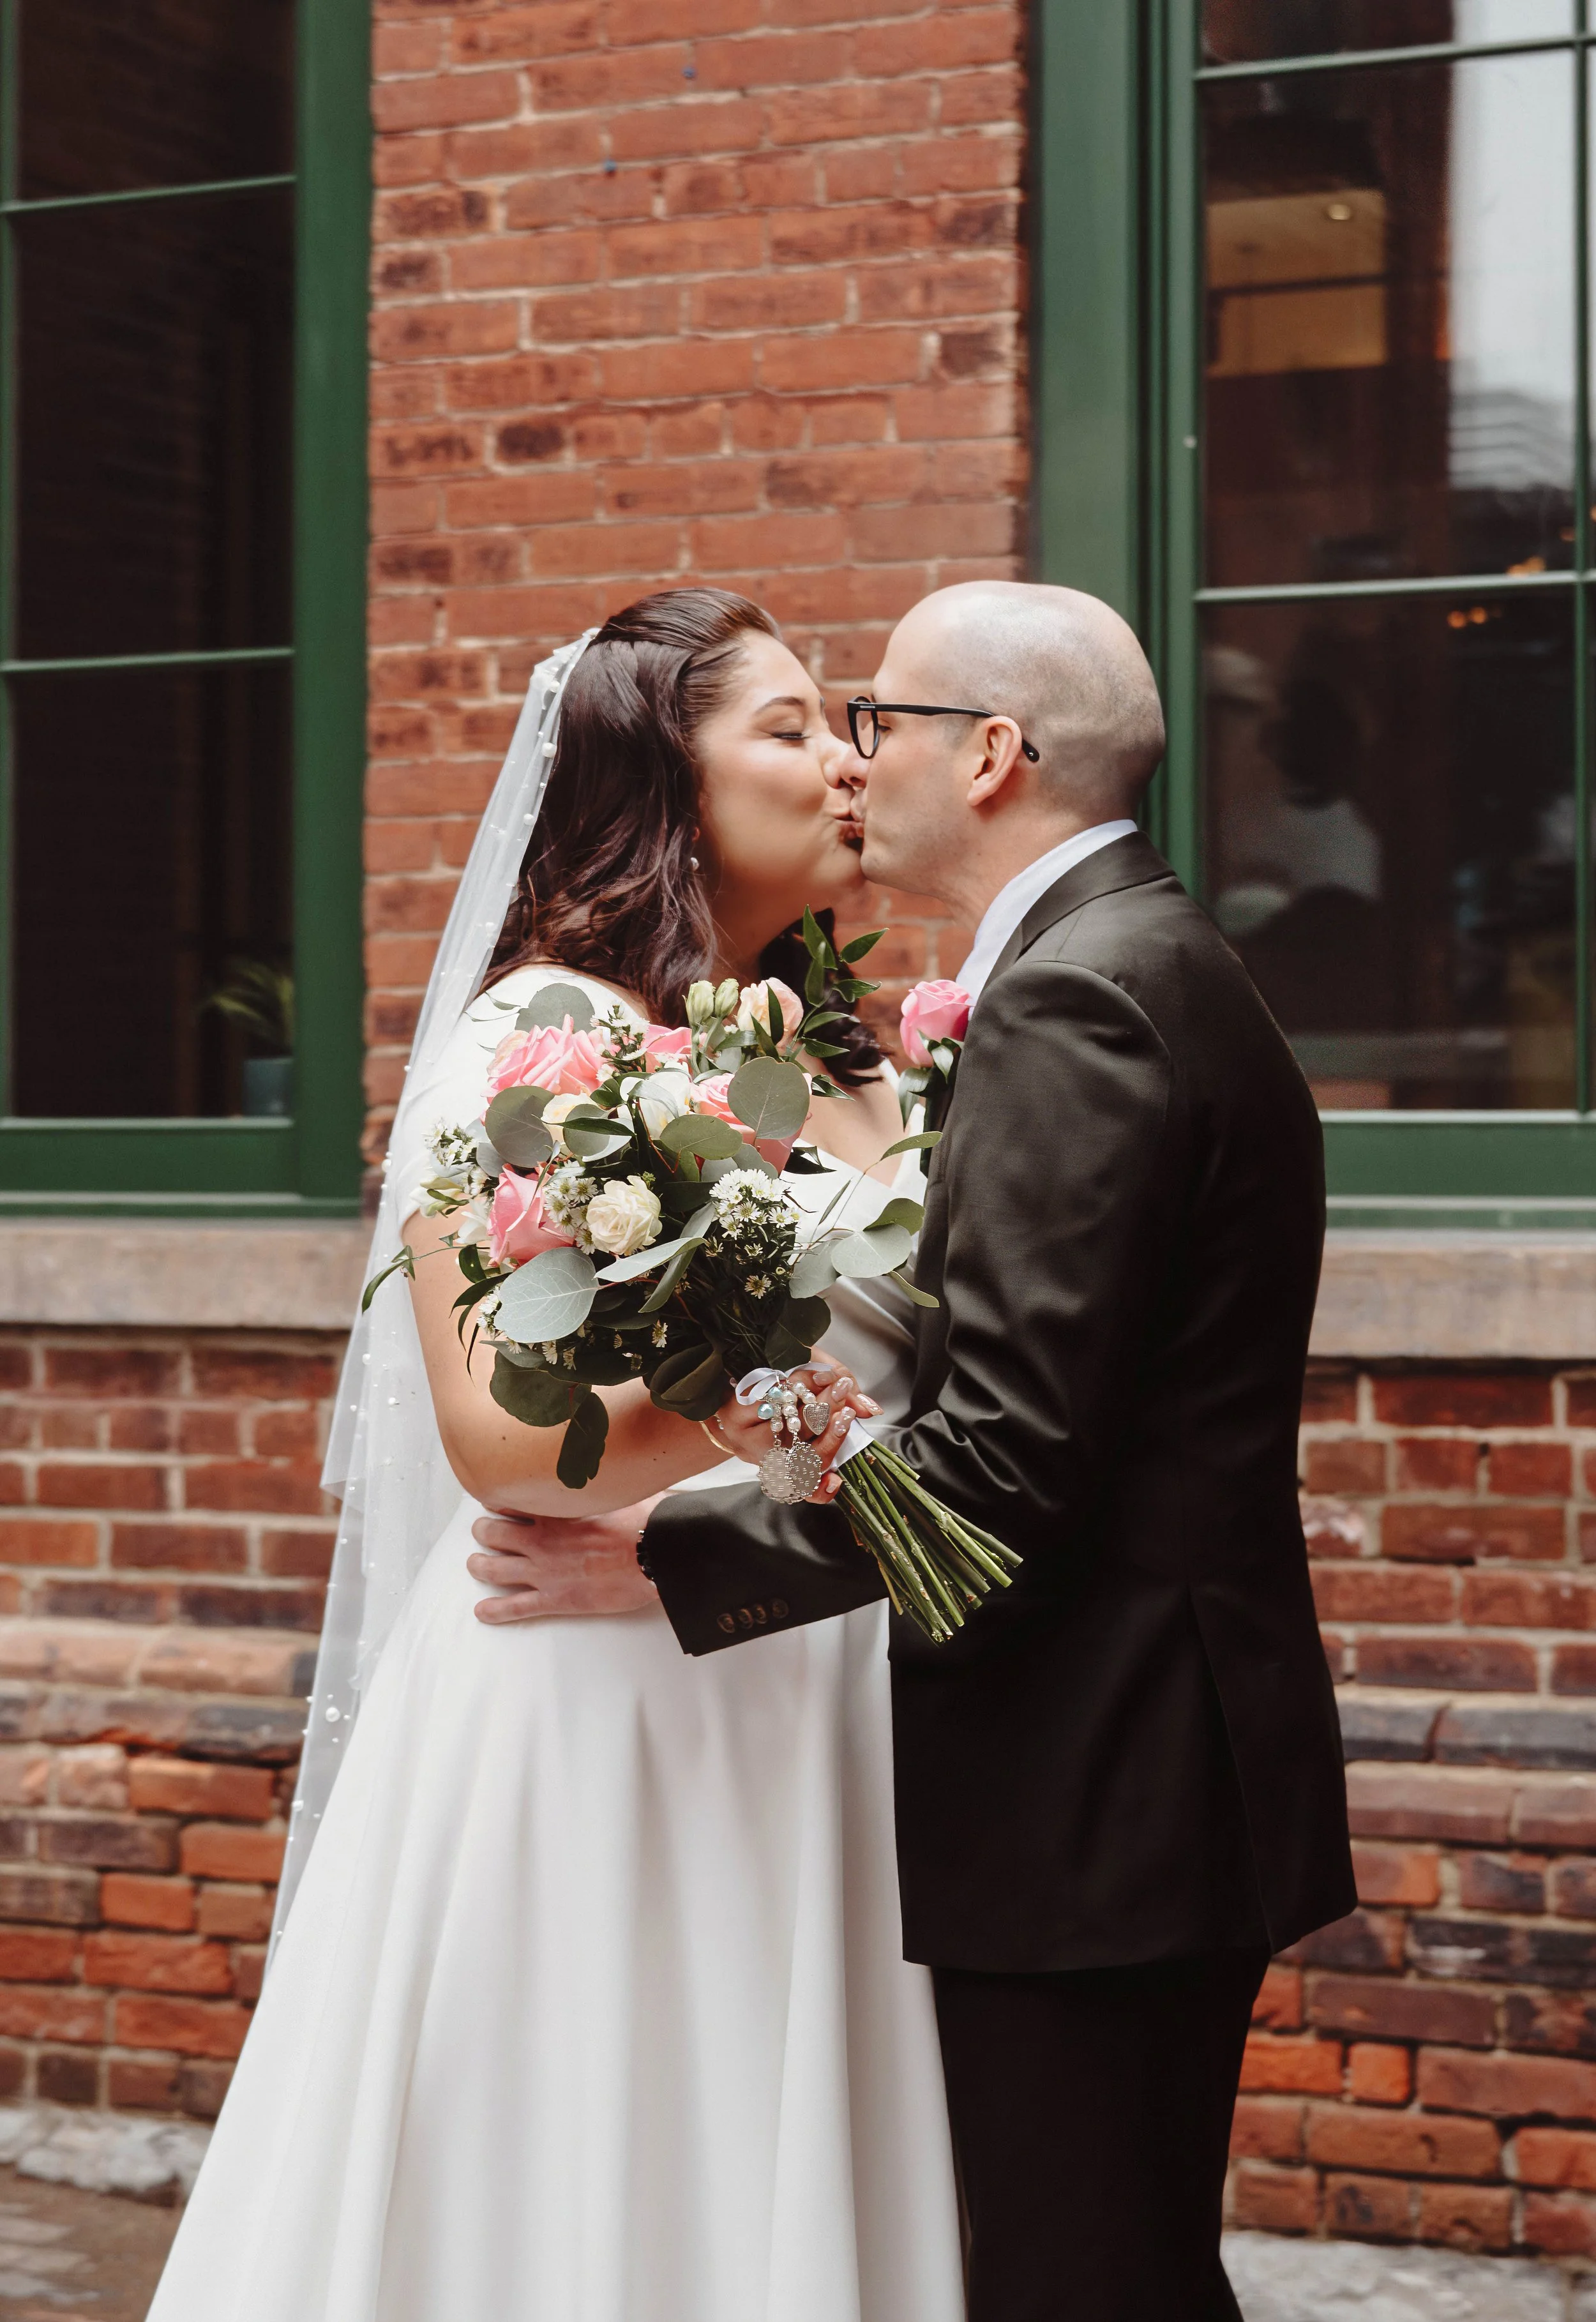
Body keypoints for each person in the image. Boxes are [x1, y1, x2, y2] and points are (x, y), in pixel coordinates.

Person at [472, 580, 1357, 2321]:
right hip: (1145, 1759)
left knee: (1078, 2275)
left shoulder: (1079, 1001)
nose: (856, 762)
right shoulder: (1131, 960)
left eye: (878, 718)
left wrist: (663, 1561)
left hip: (1098, 1771)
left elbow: (1005, 1463)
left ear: (996, 752)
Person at [145, 589, 965, 2322]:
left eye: (842, 725)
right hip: (601, 1684)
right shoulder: (542, 1044)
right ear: (662, 783)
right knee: (599, 2147)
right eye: (790, 724)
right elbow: (505, 1436)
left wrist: (823, 1460)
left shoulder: (835, 1052)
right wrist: (786, 1422)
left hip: (802, 1679)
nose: (844, 760)